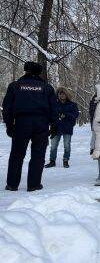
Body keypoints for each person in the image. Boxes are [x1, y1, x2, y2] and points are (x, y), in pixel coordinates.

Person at [2, 61, 57, 192]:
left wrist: (9, 125)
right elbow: (54, 108)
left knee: (16, 154)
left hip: (21, 122)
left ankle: (12, 184)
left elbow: (7, 108)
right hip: (41, 123)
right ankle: (34, 184)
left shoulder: (15, 86)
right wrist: (54, 125)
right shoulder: (47, 88)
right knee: (38, 153)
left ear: (25, 70)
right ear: (39, 72)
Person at [44, 87, 79, 168]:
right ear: (58, 95)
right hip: (56, 128)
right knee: (53, 146)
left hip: (67, 128)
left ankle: (66, 160)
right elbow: (50, 115)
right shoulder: (54, 104)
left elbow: (76, 115)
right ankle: (52, 161)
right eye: (60, 94)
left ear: (67, 95)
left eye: (63, 94)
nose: (62, 95)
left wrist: (66, 115)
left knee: (67, 146)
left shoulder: (72, 104)